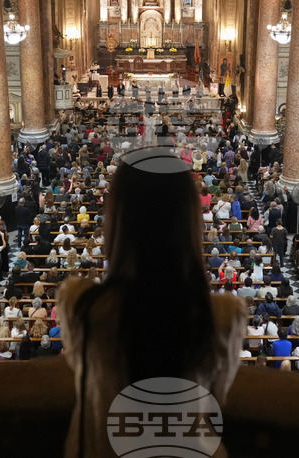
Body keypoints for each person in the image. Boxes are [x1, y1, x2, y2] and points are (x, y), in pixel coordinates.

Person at [59, 146, 245, 457]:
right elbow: (216, 397)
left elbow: (82, 371)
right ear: (189, 221)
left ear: (118, 220)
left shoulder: (80, 304)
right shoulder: (223, 316)